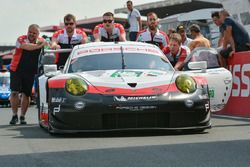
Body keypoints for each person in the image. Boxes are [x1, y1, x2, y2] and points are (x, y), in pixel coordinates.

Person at [9, 24, 46, 125]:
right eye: (30, 32)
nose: (31, 34)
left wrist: (44, 44)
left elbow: (48, 44)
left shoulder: (41, 40)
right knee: (14, 92)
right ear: (27, 31)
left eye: (34, 33)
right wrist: (40, 45)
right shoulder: (21, 39)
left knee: (26, 94)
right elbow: (26, 47)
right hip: (16, 69)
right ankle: (14, 115)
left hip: (30, 71)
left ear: (38, 34)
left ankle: (22, 116)